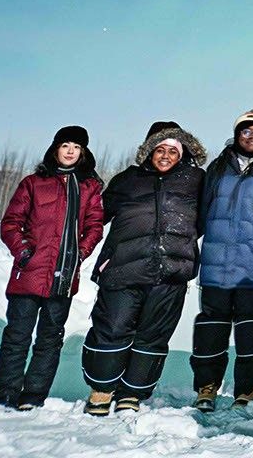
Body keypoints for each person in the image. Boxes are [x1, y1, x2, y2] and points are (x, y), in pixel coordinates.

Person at [82, 120, 206, 415]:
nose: (165, 155)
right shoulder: (128, 179)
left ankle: (132, 393)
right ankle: (102, 388)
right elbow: (96, 214)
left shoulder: (196, 180)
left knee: (153, 334)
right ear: (149, 151)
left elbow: (207, 217)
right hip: (123, 267)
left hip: (170, 272)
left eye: (172, 151)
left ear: (183, 153)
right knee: (112, 326)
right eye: (159, 149)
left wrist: (182, 244)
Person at [0, 125, 103, 410]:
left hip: (64, 276)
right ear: (55, 149)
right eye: (65, 145)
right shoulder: (33, 182)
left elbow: (94, 226)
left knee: (50, 341)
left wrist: (81, 252)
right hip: (29, 274)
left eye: (76, 147)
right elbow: (11, 223)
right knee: (16, 337)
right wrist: (24, 252)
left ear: (83, 153)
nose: (70, 151)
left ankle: (32, 397)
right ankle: (4, 396)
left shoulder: (90, 187)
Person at [191, 109, 253, 412]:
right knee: (211, 328)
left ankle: (247, 388)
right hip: (216, 264)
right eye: (246, 131)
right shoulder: (218, 167)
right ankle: (206, 386)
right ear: (237, 135)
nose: (252, 136)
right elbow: (202, 210)